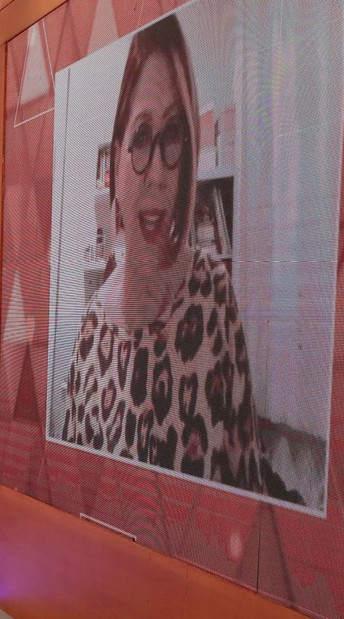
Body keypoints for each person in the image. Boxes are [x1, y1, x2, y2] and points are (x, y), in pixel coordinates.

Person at [60, 14, 282, 499]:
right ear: (117, 156)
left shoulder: (213, 292)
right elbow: (76, 492)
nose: (158, 172)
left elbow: (242, 480)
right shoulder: (91, 330)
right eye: (141, 137)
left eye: (174, 136)